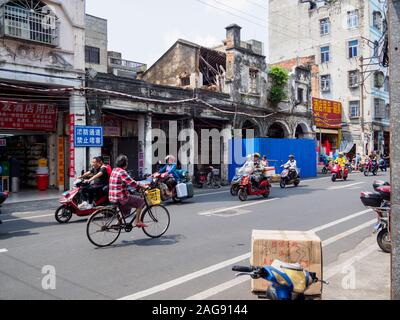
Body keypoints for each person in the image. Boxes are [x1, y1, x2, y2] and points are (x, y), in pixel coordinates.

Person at [109, 155, 147, 228]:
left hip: (112, 196)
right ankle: (137, 221)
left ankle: (119, 223)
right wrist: (143, 186)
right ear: (125, 163)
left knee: (126, 209)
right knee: (141, 202)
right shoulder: (122, 172)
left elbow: (124, 182)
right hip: (120, 197)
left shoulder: (114, 170)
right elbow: (132, 183)